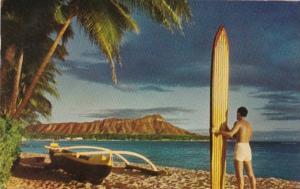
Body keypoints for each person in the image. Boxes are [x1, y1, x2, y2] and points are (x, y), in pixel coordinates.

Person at [216, 106, 256, 189]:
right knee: (251, 174)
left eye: (236, 113)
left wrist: (218, 132)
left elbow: (230, 135)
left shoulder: (238, 123)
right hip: (247, 148)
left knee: (239, 176)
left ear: (238, 113)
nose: (236, 115)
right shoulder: (249, 125)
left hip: (240, 148)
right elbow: (235, 136)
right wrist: (226, 128)